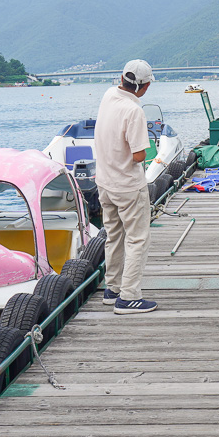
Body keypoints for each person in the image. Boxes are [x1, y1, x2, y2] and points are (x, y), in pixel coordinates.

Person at [93, 59, 158, 314]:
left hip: (104, 183)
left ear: (122, 79)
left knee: (114, 236)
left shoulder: (108, 95)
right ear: (144, 86)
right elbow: (139, 155)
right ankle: (129, 297)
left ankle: (113, 289)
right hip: (128, 186)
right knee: (137, 238)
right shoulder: (134, 111)